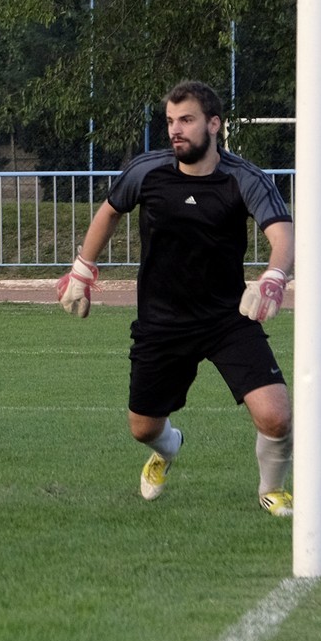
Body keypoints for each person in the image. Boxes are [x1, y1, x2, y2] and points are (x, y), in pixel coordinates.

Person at [56, 79, 297, 516]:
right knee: (143, 428)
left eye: (186, 120)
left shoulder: (244, 177)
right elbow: (110, 210)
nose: (175, 130)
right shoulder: (147, 171)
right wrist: (82, 268)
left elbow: (283, 234)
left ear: (214, 124)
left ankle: (272, 490)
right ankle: (167, 449)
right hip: (161, 322)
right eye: (170, 121)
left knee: (277, 415)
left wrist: (274, 276)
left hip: (227, 318)